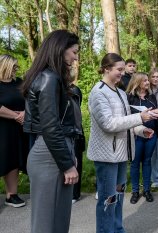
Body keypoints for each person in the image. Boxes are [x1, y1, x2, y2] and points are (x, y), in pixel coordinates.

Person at [87, 53, 155, 233]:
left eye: (123, 69)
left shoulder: (120, 92)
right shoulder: (98, 92)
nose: (122, 73)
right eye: (119, 69)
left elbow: (124, 121)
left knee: (117, 196)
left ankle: (117, 229)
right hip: (107, 156)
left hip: (121, 154)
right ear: (106, 68)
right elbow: (109, 124)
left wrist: (141, 129)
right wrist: (140, 117)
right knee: (108, 198)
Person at [22, 30, 80, 233]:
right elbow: (51, 127)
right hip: (50, 155)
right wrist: (67, 164)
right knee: (45, 225)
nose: (75, 57)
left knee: (58, 222)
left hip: (56, 151)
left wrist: (70, 156)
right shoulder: (49, 78)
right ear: (60, 49)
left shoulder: (53, 78)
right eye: (73, 52)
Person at [0, 54, 29, 208]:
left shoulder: (19, 82)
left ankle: (12, 195)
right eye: (14, 66)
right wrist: (15, 116)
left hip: (18, 128)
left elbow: (29, 99)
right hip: (3, 128)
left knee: (13, 159)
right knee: (3, 157)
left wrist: (24, 113)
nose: (17, 69)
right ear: (5, 66)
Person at [127, 72, 158, 203]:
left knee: (147, 161)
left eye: (147, 80)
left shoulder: (151, 97)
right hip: (136, 136)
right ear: (137, 82)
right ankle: (135, 191)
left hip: (152, 135)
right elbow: (127, 117)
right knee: (135, 163)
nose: (147, 82)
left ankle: (147, 190)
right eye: (145, 80)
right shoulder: (130, 98)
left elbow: (157, 112)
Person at [70, 83, 86, 204]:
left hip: (75, 131)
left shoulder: (75, 90)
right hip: (60, 131)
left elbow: (77, 112)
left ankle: (74, 194)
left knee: (76, 161)